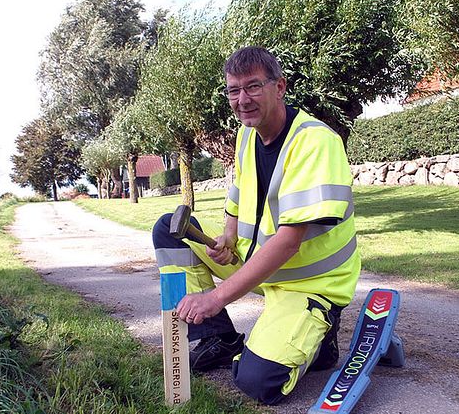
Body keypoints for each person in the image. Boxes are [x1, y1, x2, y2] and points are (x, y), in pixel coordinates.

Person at [152, 46, 360, 405]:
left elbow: (289, 242)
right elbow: (238, 193)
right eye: (234, 90)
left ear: (279, 87)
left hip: (309, 283)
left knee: (259, 382)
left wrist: (215, 297)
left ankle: (322, 339)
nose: (242, 100)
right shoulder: (246, 135)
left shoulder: (315, 142)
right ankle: (218, 339)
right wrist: (228, 236)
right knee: (167, 228)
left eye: (253, 87)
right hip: (257, 266)